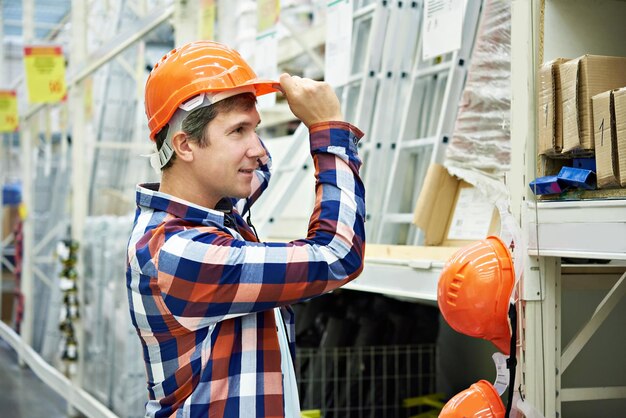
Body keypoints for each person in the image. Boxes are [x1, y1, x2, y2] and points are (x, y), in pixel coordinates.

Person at [126, 40, 366, 418]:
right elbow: (337, 254)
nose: (258, 149)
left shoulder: (216, 213)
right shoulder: (177, 253)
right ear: (185, 145)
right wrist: (328, 129)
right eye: (239, 131)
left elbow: (261, 170)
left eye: (255, 129)